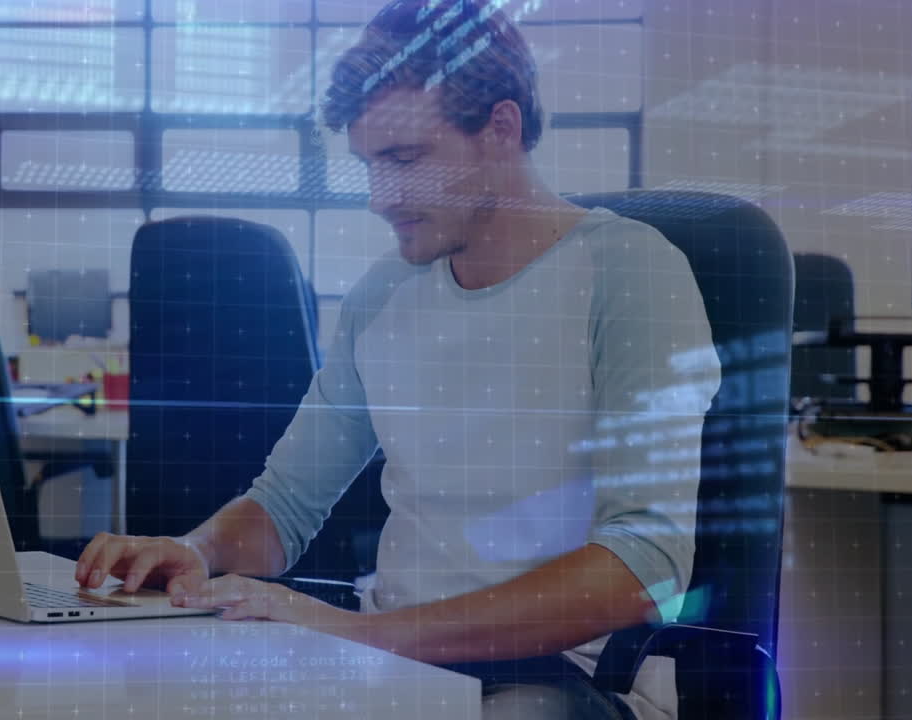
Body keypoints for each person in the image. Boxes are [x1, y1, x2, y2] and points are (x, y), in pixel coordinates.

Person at [75, 1, 720, 717]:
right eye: (369, 164)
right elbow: (283, 505)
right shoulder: (384, 293)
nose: (380, 198)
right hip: (392, 661)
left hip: (563, 676)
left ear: (500, 129)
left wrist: (367, 635)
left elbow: (644, 565)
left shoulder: (630, 274)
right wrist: (195, 550)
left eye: (405, 160)